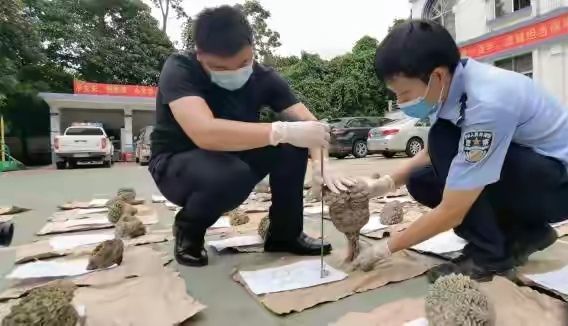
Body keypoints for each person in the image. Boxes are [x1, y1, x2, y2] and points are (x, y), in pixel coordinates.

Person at [349, 20, 568, 282]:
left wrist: (387, 247)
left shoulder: (488, 101)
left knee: (445, 142)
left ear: (437, 76)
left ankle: (488, 258)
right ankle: (526, 234)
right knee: (421, 180)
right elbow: (432, 153)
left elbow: (454, 207)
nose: (400, 103)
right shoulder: (448, 90)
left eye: (405, 93)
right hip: (531, 177)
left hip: (557, 186)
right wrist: (386, 184)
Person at [148, 6, 352, 267]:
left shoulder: (263, 76)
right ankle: (189, 228)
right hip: (178, 164)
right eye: (219, 67)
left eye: (243, 63)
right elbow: (205, 133)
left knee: (292, 146)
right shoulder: (180, 69)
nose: (235, 72)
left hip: (233, 157)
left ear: (252, 49)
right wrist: (281, 130)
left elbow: (309, 124)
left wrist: (321, 165)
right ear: (200, 55)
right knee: (231, 174)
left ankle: (284, 234)